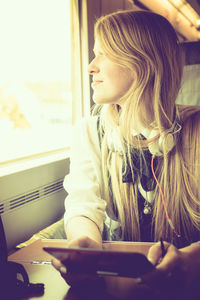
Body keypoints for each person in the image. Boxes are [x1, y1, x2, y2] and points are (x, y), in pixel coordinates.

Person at [52, 9, 200, 294]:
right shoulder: (88, 132)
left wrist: (192, 258)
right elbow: (83, 206)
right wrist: (86, 243)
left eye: (104, 54)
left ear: (142, 63)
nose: (90, 67)